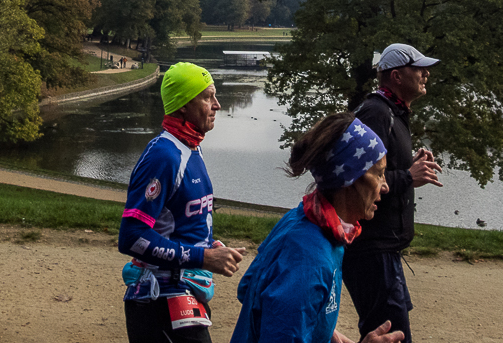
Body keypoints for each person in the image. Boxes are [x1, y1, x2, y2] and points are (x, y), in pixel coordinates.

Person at [230, 112, 405, 343]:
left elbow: (249, 287)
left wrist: (320, 329)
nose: (385, 187)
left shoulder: (303, 219)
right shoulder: (310, 260)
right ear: (349, 179)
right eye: (379, 174)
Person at [119, 62, 247, 343]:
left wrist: (206, 244)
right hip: (158, 299)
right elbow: (131, 236)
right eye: (207, 97)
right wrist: (203, 257)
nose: (217, 105)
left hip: (184, 293)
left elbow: (179, 219)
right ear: (182, 106)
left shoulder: (191, 147)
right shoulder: (164, 155)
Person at [342, 43, 444, 343]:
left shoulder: (394, 112)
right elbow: (356, 180)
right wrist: (407, 177)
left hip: (385, 250)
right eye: (419, 69)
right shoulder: (376, 112)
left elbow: (381, 169)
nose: (426, 74)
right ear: (397, 76)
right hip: (372, 251)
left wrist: (407, 166)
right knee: (392, 337)